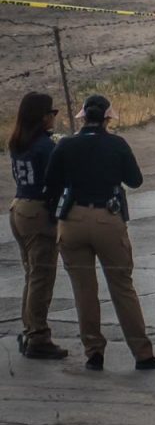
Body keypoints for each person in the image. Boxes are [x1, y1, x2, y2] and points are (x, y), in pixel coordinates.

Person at [45, 94, 155, 371]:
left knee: (83, 290)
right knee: (122, 287)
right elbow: (135, 180)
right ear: (108, 118)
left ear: (82, 117)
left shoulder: (65, 145)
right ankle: (142, 353)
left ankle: (93, 351)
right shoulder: (117, 144)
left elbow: (50, 183)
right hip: (107, 217)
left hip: (72, 218)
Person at [8, 92, 68, 360]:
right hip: (38, 212)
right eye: (51, 113)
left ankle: (29, 328)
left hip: (19, 206)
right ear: (42, 117)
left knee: (31, 275)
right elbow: (57, 180)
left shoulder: (18, 142)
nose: (54, 117)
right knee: (42, 277)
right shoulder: (45, 146)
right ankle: (38, 336)